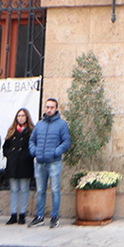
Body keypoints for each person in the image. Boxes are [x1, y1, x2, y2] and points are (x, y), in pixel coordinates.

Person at [29, 98, 71, 229]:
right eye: (47, 107)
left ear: (56, 109)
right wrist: (34, 151)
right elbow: (32, 140)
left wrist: (56, 151)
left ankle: (54, 217)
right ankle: (39, 217)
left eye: (52, 107)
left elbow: (66, 142)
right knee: (40, 190)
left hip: (54, 162)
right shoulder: (39, 124)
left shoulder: (62, 124)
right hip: (40, 162)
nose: (49, 109)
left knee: (54, 190)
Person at [3, 108, 35, 225]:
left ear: (27, 117)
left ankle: (22, 214)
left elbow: (34, 146)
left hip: (25, 163)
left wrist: (28, 156)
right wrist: (10, 155)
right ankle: (13, 214)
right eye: (19, 116)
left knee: (24, 189)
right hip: (13, 163)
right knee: (14, 190)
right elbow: (5, 146)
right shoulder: (11, 131)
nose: (20, 118)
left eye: (23, 116)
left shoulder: (31, 130)